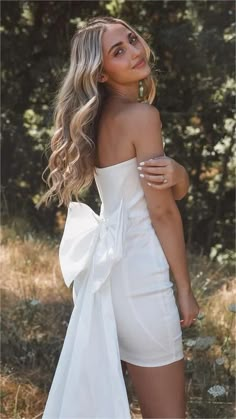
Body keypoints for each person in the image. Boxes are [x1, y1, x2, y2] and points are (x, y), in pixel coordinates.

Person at [38, 16, 200, 419]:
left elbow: (137, 196)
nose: (135, 51)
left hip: (109, 273)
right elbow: (160, 211)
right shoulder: (142, 116)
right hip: (142, 274)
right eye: (118, 51)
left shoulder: (99, 118)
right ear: (100, 72)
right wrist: (183, 287)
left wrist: (180, 176)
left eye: (131, 39)